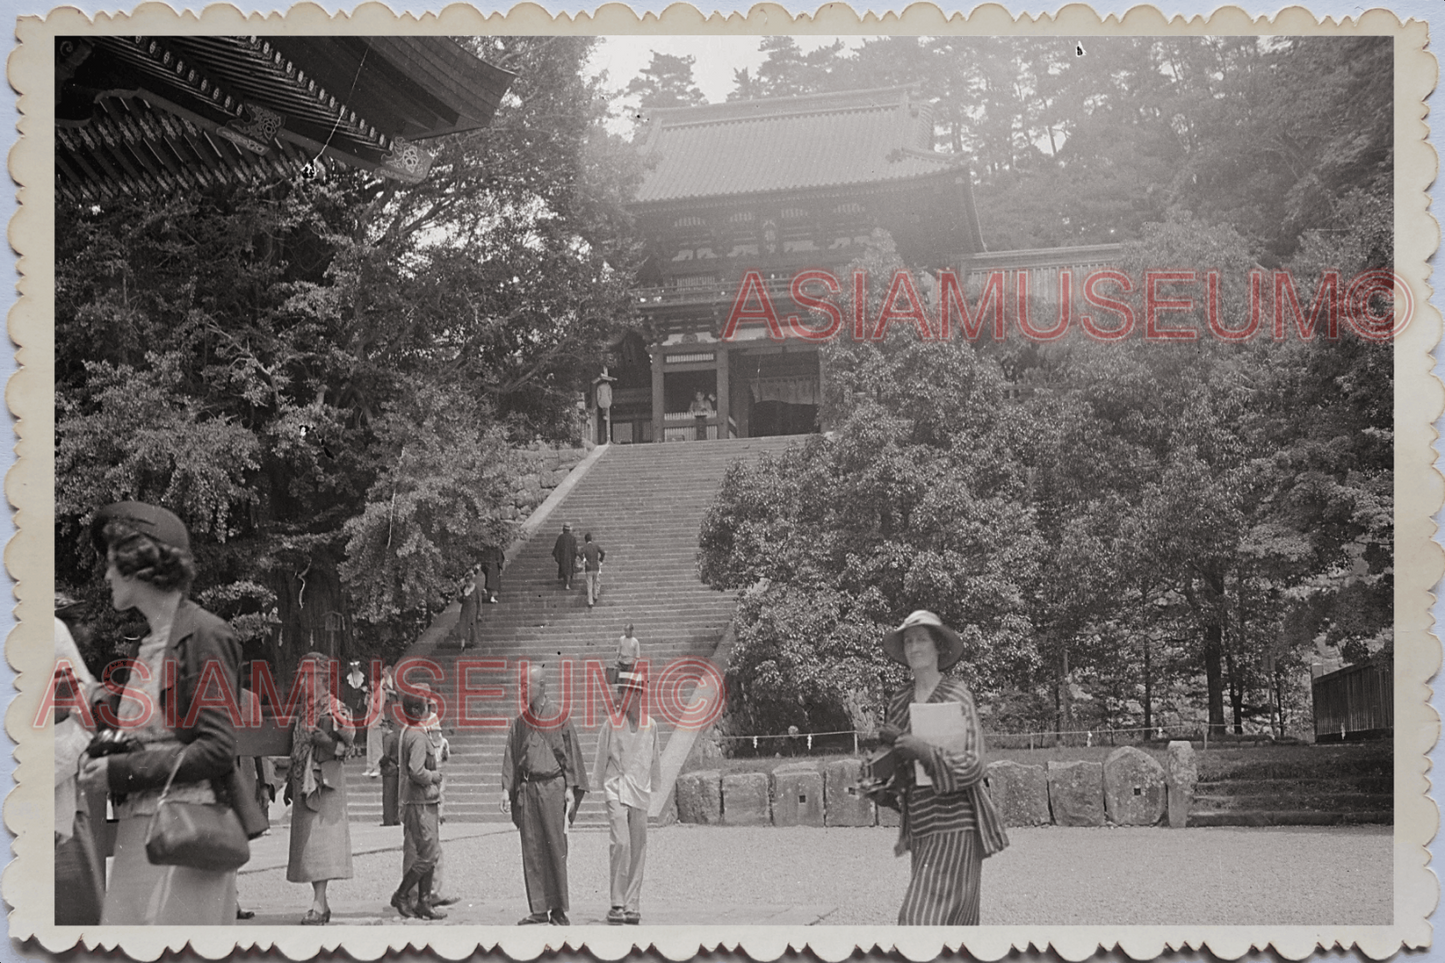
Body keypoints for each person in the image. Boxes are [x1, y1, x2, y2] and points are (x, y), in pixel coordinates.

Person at [78, 501, 266, 925]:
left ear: (136, 562)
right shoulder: (144, 645)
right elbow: (152, 733)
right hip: (137, 832)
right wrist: (93, 706)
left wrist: (119, 772)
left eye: (111, 563)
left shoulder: (205, 634)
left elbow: (217, 749)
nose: (106, 576)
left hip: (187, 835)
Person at [870, 610, 1009, 926]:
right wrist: (880, 780)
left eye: (921, 640)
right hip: (921, 822)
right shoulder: (900, 700)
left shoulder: (957, 694)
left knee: (918, 921)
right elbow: (898, 767)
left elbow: (974, 764)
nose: (914, 648)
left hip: (956, 822)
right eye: (908, 641)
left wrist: (924, 751)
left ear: (938, 648)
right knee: (953, 929)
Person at [501, 663, 588, 925]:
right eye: (521, 685)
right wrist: (506, 789)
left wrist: (571, 790)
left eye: (526, 684)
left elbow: (570, 756)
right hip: (528, 789)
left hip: (553, 788)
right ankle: (538, 908)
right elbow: (511, 756)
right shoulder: (520, 723)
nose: (522, 689)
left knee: (555, 847)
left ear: (542, 686)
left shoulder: (558, 717)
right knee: (532, 848)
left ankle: (558, 909)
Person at [285, 652, 355, 925]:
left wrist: (327, 742)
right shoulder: (303, 709)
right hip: (303, 782)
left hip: (326, 783)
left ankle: (317, 903)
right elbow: (297, 746)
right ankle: (321, 904)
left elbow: (348, 749)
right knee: (310, 848)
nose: (302, 682)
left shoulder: (336, 707)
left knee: (322, 845)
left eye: (307, 676)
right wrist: (291, 778)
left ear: (322, 678)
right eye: (301, 676)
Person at [592, 675, 661, 925]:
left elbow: (653, 758)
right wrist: (596, 784)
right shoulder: (611, 723)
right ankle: (617, 902)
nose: (621, 698)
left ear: (638, 695)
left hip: (639, 788)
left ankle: (633, 903)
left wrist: (654, 785)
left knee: (638, 844)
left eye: (626, 693)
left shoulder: (650, 725)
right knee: (621, 842)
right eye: (620, 692)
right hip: (616, 786)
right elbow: (601, 756)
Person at [390, 685, 447, 920]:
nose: (429, 707)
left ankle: (424, 901)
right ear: (416, 708)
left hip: (425, 801)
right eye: (425, 703)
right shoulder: (416, 735)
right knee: (427, 854)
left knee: (429, 851)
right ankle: (402, 894)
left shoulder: (415, 732)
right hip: (420, 802)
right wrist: (434, 776)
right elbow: (416, 771)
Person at [362, 663, 394, 777]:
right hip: (370, 721)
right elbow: (366, 704)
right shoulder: (372, 692)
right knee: (370, 746)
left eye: (372, 681)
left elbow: (378, 708)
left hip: (377, 721)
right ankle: (369, 767)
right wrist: (367, 697)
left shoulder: (381, 692)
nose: (371, 684)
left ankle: (377, 767)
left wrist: (371, 701)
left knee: (377, 747)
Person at [379, 719, 401, 827]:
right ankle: (395, 818)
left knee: (387, 795)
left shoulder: (387, 739)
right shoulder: (396, 737)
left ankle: (388, 819)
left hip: (388, 769)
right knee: (395, 795)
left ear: (386, 727)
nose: (381, 731)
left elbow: (386, 755)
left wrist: (381, 763)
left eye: (382, 728)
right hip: (396, 768)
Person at [454, 566, 481, 648]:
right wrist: (458, 590)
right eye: (466, 581)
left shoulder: (476, 589)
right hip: (465, 609)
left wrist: (479, 613)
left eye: (469, 581)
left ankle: (474, 642)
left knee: (472, 625)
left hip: (473, 608)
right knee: (463, 625)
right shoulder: (465, 589)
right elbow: (461, 600)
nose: (468, 583)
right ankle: (463, 644)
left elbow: (479, 601)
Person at [580, 532, 606, 608]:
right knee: (595, 583)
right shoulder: (596, 546)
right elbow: (603, 552)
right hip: (596, 567)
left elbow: (578, 552)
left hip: (589, 568)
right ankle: (595, 596)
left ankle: (590, 601)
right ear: (591, 539)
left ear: (585, 540)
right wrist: (600, 560)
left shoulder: (585, 547)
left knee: (589, 585)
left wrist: (584, 560)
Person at [552, 523, 578, 590]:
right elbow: (575, 549)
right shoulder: (572, 538)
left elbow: (556, 548)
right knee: (569, 570)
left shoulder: (560, 537)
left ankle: (565, 583)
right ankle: (567, 584)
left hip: (562, 557)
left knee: (564, 569)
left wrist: (557, 557)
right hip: (570, 557)